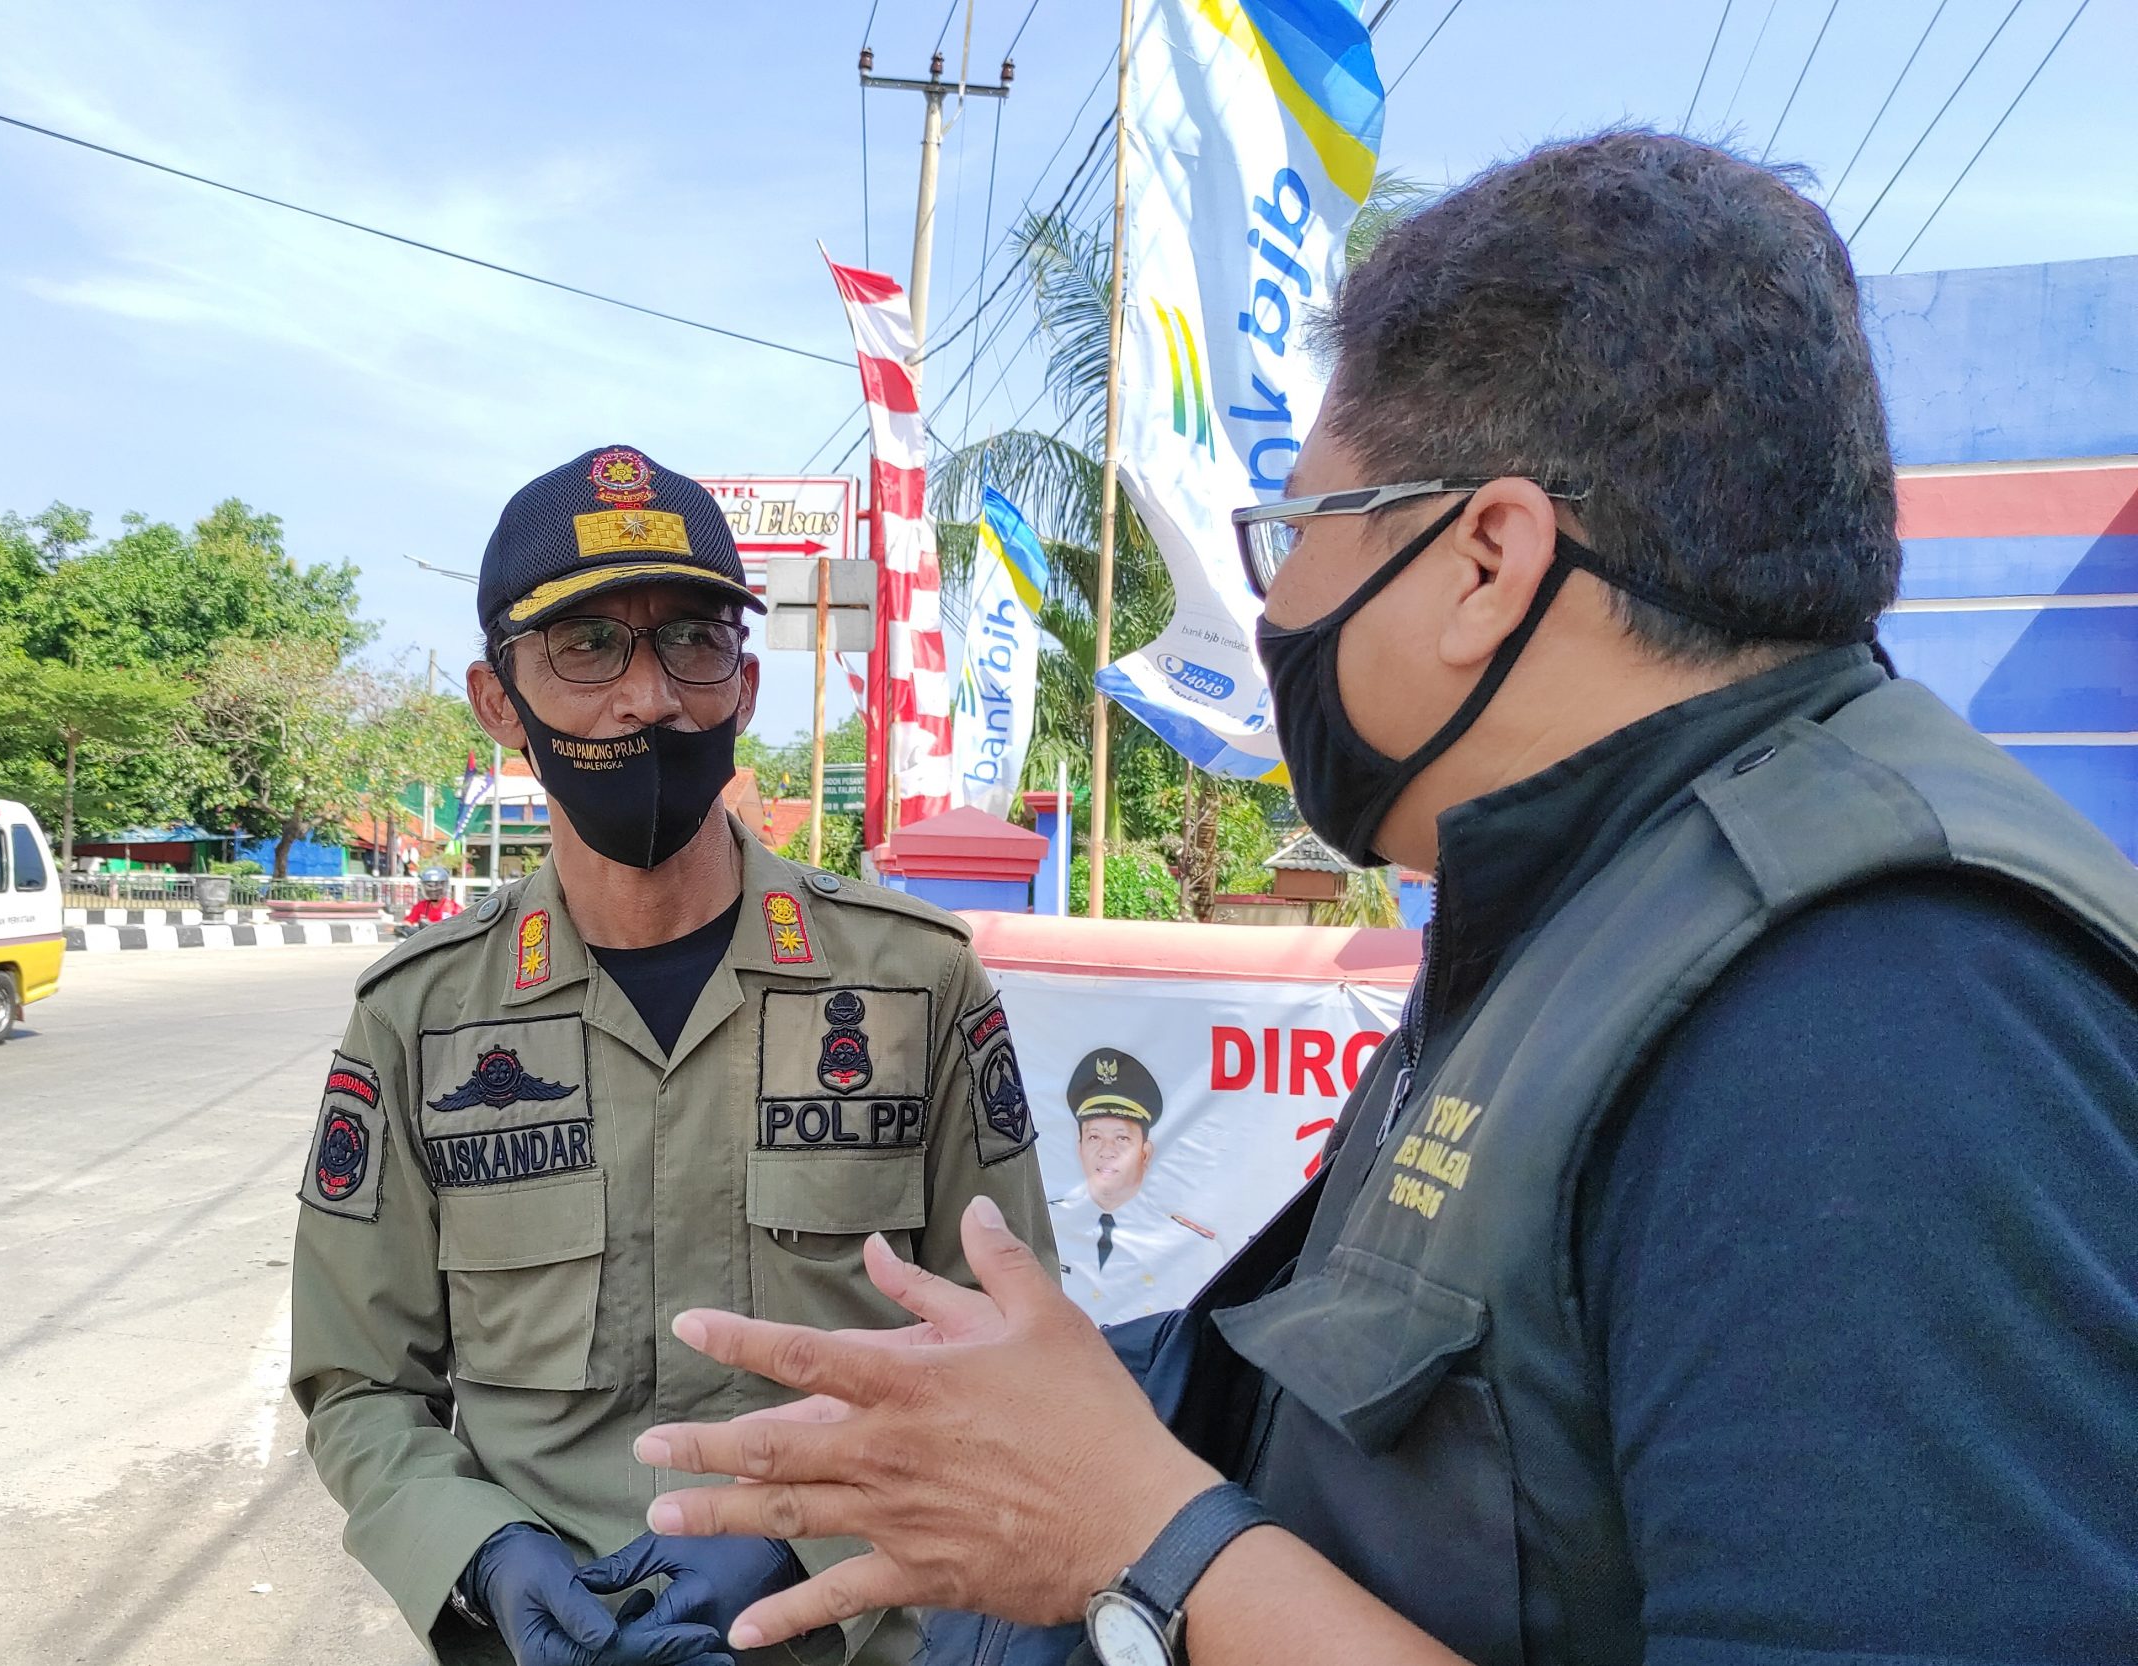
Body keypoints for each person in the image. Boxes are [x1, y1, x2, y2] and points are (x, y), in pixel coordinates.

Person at [614, 133, 2138, 1666]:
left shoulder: (1873, 1011)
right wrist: (963, 1445)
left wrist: (1142, 1538)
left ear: (1488, 559)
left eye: (1297, 535)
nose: (1276, 611)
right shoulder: (1593, 913)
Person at [288, 444, 1057, 1666]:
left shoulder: (911, 983)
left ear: (744, 683)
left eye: (690, 641)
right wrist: (484, 1554)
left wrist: (799, 1535)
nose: (647, 697)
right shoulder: (418, 1019)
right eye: (588, 646)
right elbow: (359, 1384)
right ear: (500, 701)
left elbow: (1010, 1356)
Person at [1050, 1047, 1223, 1324]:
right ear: (1079, 1147)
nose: (1107, 1151)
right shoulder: (1041, 1225)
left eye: (1121, 1139)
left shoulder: (1191, 1246)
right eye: (1094, 1137)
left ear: (1145, 1153)